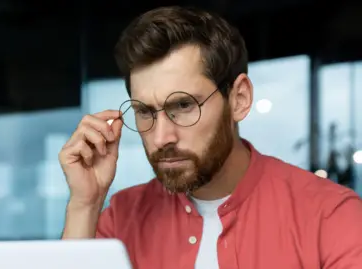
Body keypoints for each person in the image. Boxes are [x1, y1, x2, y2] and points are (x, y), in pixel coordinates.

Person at [58, 6, 362, 269]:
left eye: (184, 105)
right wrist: (86, 203)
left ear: (239, 99)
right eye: (146, 112)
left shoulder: (331, 215)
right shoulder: (120, 219)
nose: (162, 137)